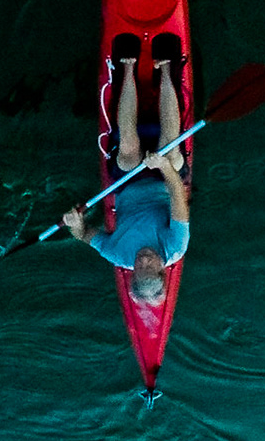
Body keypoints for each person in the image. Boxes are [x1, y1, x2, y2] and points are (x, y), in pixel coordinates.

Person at [61, 54, 190, 305]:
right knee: (171, 150)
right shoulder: (176, 246)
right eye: (149, 264)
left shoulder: (118, 255)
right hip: (166, 180)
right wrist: (163, 165)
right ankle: (166, 71)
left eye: (138, 266)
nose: (141, 259)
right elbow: (177, 194)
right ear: (163, 269)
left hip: (127, 181)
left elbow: (85, 235)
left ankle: (127, 69)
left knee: (129, 149)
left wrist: (76, 224)